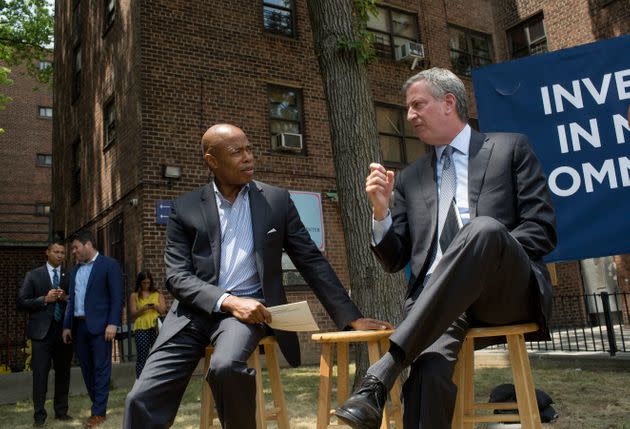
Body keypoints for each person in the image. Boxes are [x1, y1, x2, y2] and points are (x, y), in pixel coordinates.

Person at [124, 123, 393, 429]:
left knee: (226, 367)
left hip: (246, 316)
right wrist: (227, 301)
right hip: (191, 314)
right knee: (139, 399)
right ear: (211, 160)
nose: (248, 157)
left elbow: (311, 261)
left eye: (249, 149)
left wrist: (350, 317)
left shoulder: (275, 201)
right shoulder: (185, 208)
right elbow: (177, 277)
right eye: (236, 151)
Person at [335, 68, 557, 429]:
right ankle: (399, 366)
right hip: (440, 305)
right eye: (408, 108)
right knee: (427, 372)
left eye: (417, 105)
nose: (409, 116)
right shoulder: (409, 178)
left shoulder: (510, 148)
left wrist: (479, 254)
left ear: (448, 102)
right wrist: (380, 210)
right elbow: (395, 259)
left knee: (483, 230)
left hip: (503, 292)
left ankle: (383, 370)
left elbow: (542, 229)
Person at [62, 230, 124, 428]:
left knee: (101, 368)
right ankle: (98, 404)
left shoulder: (109, 265)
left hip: (101, 327)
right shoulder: (75, 271)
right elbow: (71, 301)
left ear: (88, 244)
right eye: (72, 248)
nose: (73, 252)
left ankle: (98, 412)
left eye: (75, 247)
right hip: (79, 327)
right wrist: (66, 326)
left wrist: (113, 323)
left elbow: (117, 297)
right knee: (87, 370)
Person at [17, 240, 74, 426]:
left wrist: (65, 298)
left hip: (63, 331)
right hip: (41, 333)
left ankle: (61, 411)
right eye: (56, 252)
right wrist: (44, 299)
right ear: (47, 253)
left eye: (62, 253)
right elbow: (22, 302)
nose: (60, 255)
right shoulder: (33, 276)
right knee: (40, 375)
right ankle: (39, 416)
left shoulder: (69, 276)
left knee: (63, 373)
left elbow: (75, 300)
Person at [129, 271, 166, 378]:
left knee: (157, 353)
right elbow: (133, 314)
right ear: (139, 283)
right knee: (142, 355)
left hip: (155, 327)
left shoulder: (157, 294)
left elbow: (163, 310)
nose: (146, 285)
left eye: (148, 282)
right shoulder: (134, 295)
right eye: (144, 283)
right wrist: (143, 309)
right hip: (141, 327)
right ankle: (140, 379)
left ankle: (158, 377)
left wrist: (155, 306)